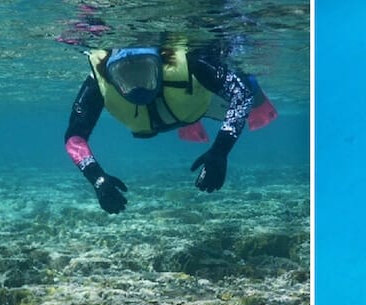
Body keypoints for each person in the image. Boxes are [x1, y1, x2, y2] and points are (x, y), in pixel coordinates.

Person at [64, 46, 278, 213]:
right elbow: (74, 137)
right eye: (125, 76)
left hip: (200, 99)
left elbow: (241, 97)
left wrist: (220, 151)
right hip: (182, 106)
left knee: (245, 85)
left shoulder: (191, 61)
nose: (138, 85)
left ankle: (244, 95)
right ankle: (188, 119)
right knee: (194, 106)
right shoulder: (98, 82)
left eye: (145, 71)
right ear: (110, 75)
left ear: (160, 67)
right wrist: (97, 178)